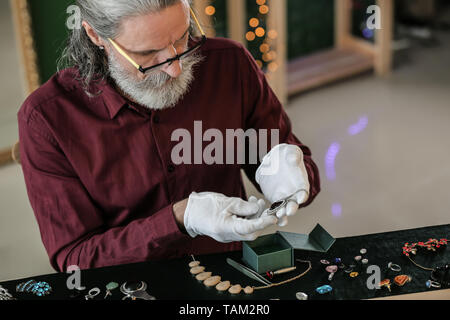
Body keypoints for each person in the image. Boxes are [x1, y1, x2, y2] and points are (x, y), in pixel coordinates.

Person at [18, 0, 320, 272]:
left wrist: (290, 173)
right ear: (96, 36)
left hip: (230, 271)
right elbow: (75, 258)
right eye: (149, 54)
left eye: (182, 38)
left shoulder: (230, 64)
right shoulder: (46, 120)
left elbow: (281, 156)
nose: (176, 68)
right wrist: (178, 218)